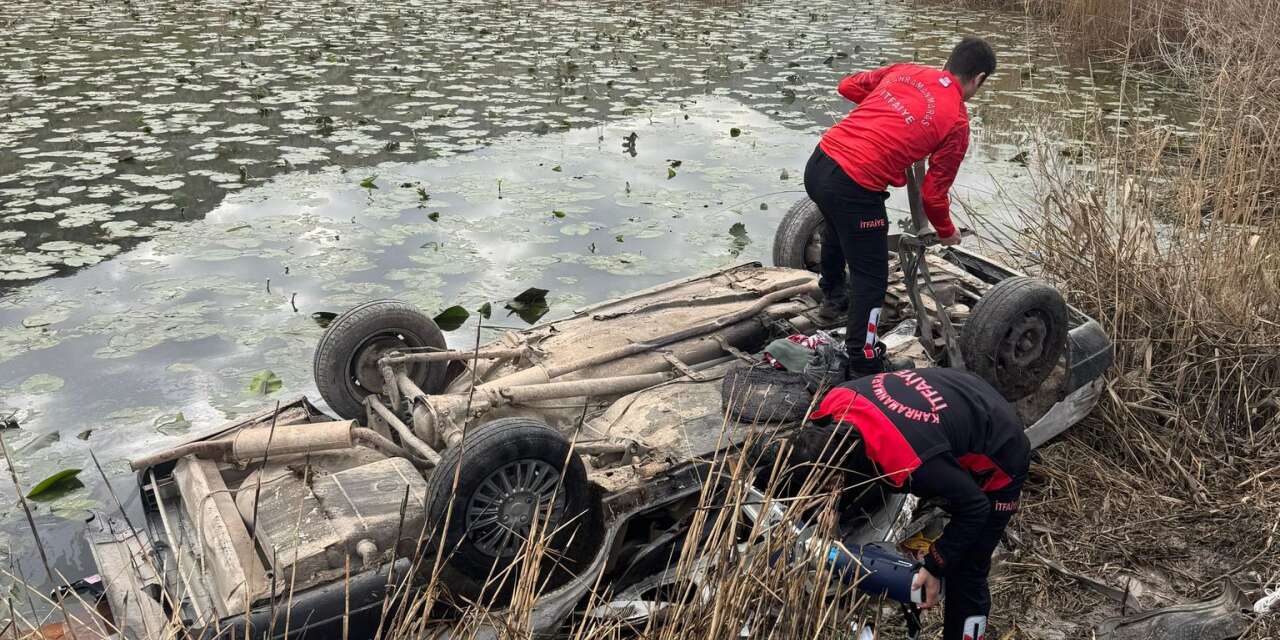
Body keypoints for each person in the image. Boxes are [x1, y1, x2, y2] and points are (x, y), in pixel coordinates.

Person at [764, 367, 1028, 640]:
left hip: (1000, 450)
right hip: (959, 392)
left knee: (967, 570)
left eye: (827, 488)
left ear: (836, 477)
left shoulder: (912, 461)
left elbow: (975, 508)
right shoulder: (836, 400)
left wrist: (936, 565)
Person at [804, 37, 997, 378]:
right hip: (854, 186)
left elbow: (847, 86)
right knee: (871, 279)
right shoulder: (957, 121)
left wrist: (890, 112)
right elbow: (933, 196)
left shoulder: (906, 71)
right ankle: (863, 361)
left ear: (947, 61)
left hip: (819, 163)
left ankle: (832, 300)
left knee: (834, 230)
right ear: (979, 79)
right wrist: (948, 233)